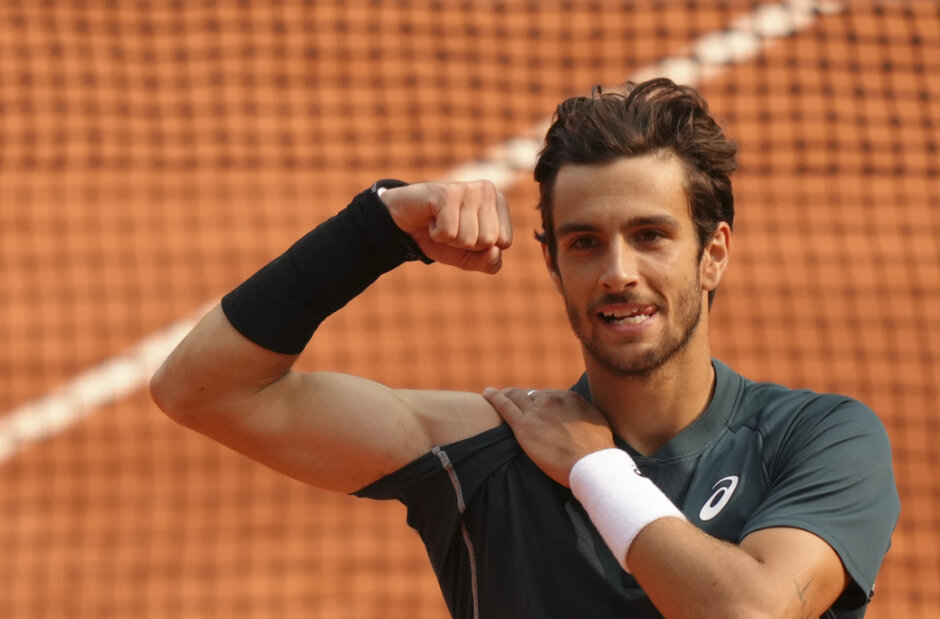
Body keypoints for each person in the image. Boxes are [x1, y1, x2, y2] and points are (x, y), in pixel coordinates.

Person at [150, 78, 899, 619]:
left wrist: (594, 468)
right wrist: (372, 230)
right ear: (552, 262)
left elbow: (750, 612)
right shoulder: (485, 452)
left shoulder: (818, 439)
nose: (616, 271)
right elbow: (204, 390)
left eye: (650, 235)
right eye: (583, 242)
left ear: (714, 254)